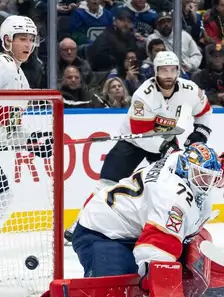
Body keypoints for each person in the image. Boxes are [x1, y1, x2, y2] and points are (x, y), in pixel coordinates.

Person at [18, 141, 224, 297]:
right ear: (187, 171)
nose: (207, 184)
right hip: (101, 232)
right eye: (202, 177)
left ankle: (192, 286)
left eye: (210, 177)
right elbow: (153, 251)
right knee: (117, 295)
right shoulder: (172, 196)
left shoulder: (181, 160)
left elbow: (208, 165)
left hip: (137, 225)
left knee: (183, 249)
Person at [64, 51, 212, 242]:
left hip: (165, 141)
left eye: (172, 70)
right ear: (155, 72)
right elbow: (142, 134)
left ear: (178, 71)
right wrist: (165, 148)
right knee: (106, 185)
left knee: (177, 182)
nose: (168, 75)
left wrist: (201, 132)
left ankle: (184, 224)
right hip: (134, 141)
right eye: (163, 70)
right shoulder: (144, 94)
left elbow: (205, 111)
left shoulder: (190, 90)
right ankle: (79, 224)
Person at [0, 16, 51, 260]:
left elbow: (9, 129)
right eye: (22, 38)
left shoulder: (22, 79)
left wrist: (33, 142)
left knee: (0, 198)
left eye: (31, 39)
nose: (28, 44)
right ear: (6, 40)